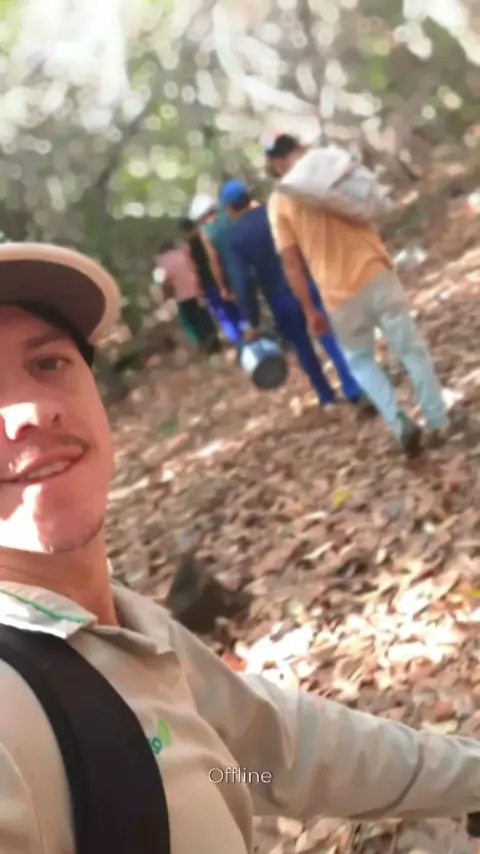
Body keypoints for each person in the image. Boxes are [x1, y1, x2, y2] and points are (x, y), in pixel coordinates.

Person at [1, 241, 480, 852]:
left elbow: (270, 757)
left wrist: (470, 776)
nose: (30, 410)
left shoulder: (130, 631)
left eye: (48, 363)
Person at [265, 134, 449, 455]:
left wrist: (310, 310)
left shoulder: (280, 201)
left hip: (337, 292)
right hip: (375, 269)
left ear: (278, 165)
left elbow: (291, 264)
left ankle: (397, 422)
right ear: (301, 149)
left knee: (360, 361)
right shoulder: (331, 164)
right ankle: (437, 421)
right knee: (410, 350)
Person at [220, 179, 372, 410]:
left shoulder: (235, 238)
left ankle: (326, 397)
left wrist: (252, 321)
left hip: (280, 298)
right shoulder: (274, 212)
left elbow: (243, 283)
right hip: (307, 282)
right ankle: (354, 388)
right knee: (329, 336)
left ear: (230, 209)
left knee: (303, 348)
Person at [183, 195, 245, 345]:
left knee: (224, 315)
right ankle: (249, 333)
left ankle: (240, 342)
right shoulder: (211, 232)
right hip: (226, 276)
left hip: (209, 283)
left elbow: (193, 268)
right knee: (238, 308)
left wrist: (199, 290)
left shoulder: (189, 246)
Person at [154, 238, 221, 353]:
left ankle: (204, 345)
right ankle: (214, 343)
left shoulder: (162, 260)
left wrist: (165, 297)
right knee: (204, 318)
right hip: (197, 290)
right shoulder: (182, 253)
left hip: (183, 296)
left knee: (188, 323)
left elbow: (165, 282)